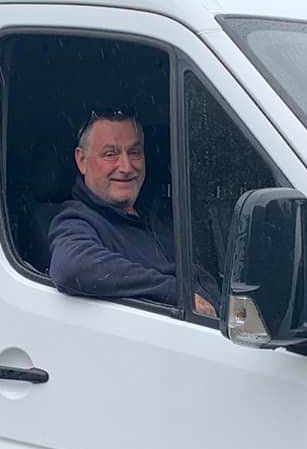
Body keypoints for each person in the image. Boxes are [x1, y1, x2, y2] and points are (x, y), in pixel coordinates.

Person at [48, 109, 218, 317]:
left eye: (134, 152)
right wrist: (177, 294)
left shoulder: (158, 214)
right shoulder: (77, 220)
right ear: (82, 161)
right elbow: (71, 266)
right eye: (110, 154)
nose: (126, 167)